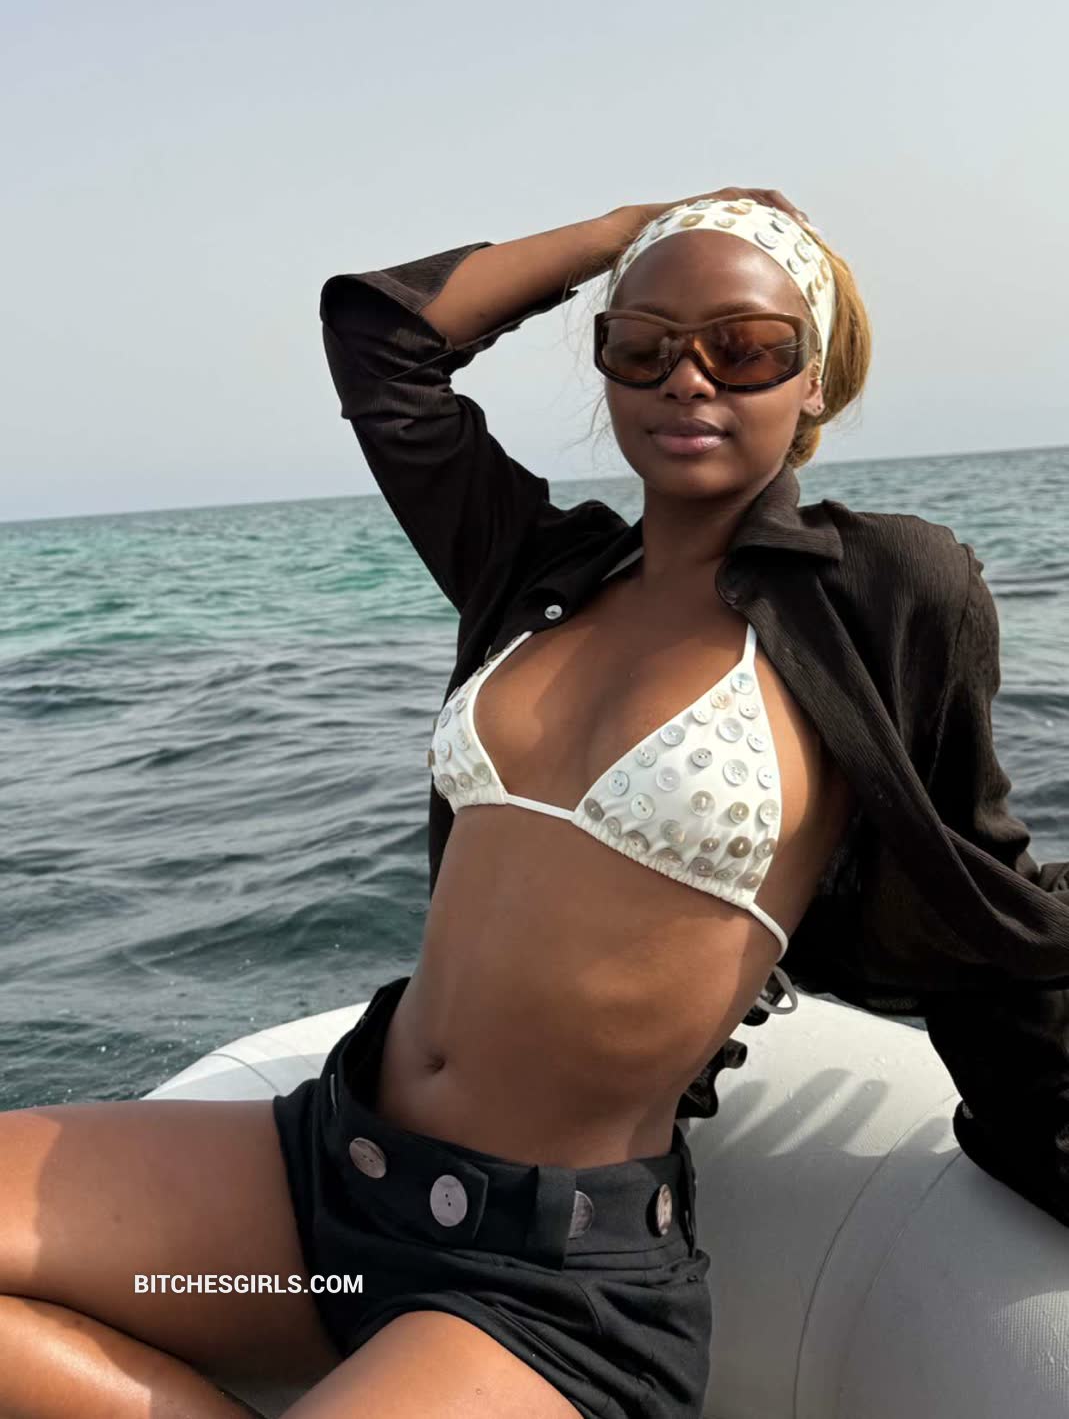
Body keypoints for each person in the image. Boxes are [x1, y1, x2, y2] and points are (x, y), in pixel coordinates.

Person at [2, 188, 1066, 1419]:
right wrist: (631, 229)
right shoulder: (534, 565)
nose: (687, 377)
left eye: (744, 347)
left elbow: (984, 889)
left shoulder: (884, 588)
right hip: (324, 1188)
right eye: (643, 343)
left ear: (813, 379)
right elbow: (384, 344)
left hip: (543, 1275)